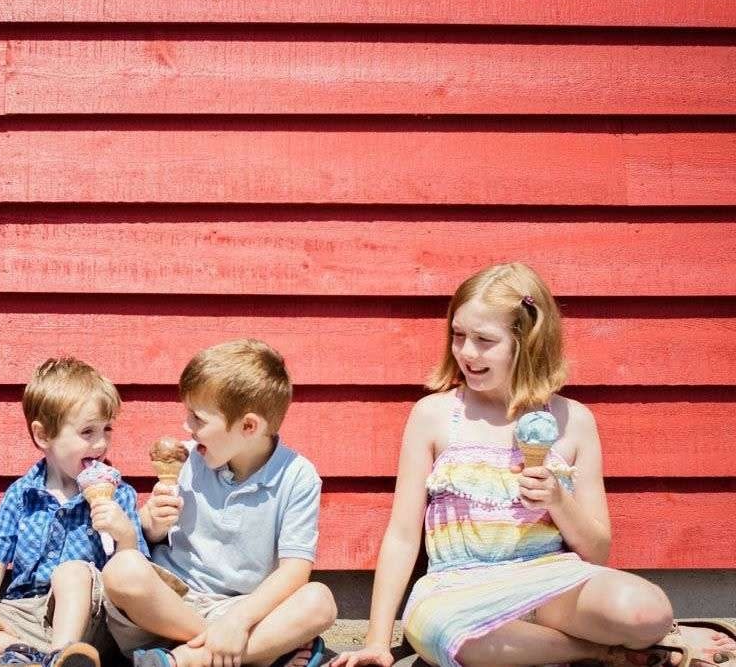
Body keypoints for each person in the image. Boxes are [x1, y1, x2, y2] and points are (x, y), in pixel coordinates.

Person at [330, 262, 736, 667]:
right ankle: (608, 654)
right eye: (458, 335)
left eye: (485, 340)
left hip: (549, 581)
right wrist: (378, 640)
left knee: (647, 610)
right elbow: (402, 536)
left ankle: (626, 640)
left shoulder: (572, 421)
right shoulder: (434, 416)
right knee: (448, 636)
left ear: (527, 343)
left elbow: (597, 551)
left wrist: (558, 499)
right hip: (456, 589)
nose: (467, 352)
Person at [102, 339, 337, 667]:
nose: (188, 427)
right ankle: (251, 654)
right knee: (121, 570)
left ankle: (184, 661)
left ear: (249, 426)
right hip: (169, 605)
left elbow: (295, 571)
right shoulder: (186, 460)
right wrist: (152, 524)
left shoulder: (298, 476)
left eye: (198, 418)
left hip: (240, 608)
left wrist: (238, 620)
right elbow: (145, 541)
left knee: (320, 602)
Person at [0, 357, 148, 667]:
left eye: (107, 429)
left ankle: (62, 655)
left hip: (88, 619)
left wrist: (123, 534)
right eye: (87, 432)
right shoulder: (21, 495)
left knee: (71, 571)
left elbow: (135, 575)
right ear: (44, 436)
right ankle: (23, 652)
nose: (101, 444)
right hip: (24, 612)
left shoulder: (119, 494)